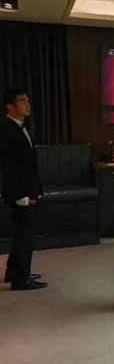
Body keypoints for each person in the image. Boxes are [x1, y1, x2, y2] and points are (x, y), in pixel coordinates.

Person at [0, 89, 47, 290]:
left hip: (27, 189)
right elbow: (9, 166)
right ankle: (21, 278)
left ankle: (14, 272)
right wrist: (21, 195)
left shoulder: (19, 126)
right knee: (24, 236)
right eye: (22, 102)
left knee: (22, 234)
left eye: (27, 101)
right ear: (10, 106)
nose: (27, 105)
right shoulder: (7, 130)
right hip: (20, 193)